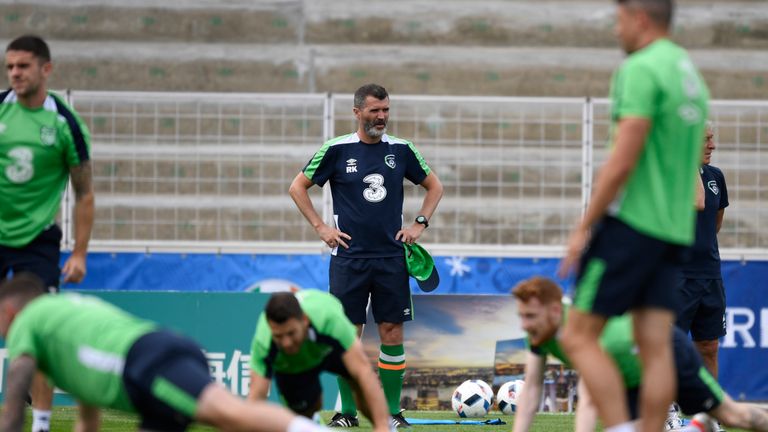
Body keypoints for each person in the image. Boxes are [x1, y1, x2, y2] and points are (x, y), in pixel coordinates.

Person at [557, 1, 710, 431]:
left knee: (578, 336)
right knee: (655, 344)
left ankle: (622, 426)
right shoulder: (690, 75)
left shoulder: (641, 68)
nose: (616, 30)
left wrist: (583, 226)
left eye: (619, 20)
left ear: (640, 19)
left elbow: (623, 158)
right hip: (673, 229)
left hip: (631, 226)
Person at [289, 83, 443, 428]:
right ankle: (347, 413)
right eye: (375, 110)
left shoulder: (402, 150)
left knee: (392, 332)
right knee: (347, 336)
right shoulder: (336, 150)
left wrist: (420, 223)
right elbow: (297, 186)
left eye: (386, 109)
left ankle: (391, 413)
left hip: (391, 259)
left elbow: (435, 186)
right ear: (357, 112)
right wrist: (320, 227)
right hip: (349, 259)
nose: (382, 117)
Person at [0, 273, 329, 432]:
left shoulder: (28, 322)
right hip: (154, 357)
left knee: (232, 414)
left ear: (12, 312)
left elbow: (14, 402)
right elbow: (89, 415)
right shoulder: (59, 325)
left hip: (148, 362)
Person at [510, 277, 768, 432]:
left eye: (530, 316)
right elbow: (532, 389)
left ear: (555, 311)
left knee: (735, 416)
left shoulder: (582, 331)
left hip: (667, 352)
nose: (524, 324)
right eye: (522, 316)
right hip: (633, 380)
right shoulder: (538, 331)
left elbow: (590, 399)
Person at [1, 35, 95, 432]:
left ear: (45, 68)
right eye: (10, 67)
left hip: (39, 241)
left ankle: (39, 425)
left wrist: (80, 254)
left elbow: (85, 192)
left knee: (41, 334)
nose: (15, 74)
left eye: (23, 66)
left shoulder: (65, 124)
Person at [248, 291, 392, 432]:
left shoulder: (330, 320)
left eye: (291, 333)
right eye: (279, 336)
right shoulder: (264, 340)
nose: (286, 343)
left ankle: (387, 426)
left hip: (331, 351)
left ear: (304, 320)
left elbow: (363, 371)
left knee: (360, 386)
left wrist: (382, 427)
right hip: (294, 363)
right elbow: (256, 398)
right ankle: (313, 422)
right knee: (303, 414)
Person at [676, 122, 728, 376]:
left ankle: (707, 413)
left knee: (709, 345)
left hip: (709, 274)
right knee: (669, 346)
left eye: (712, 138)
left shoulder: (715, 176)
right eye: (705, 139)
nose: (712, 145)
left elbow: (714, 224)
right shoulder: (670, 175)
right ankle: (668, 410)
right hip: (676, 275)